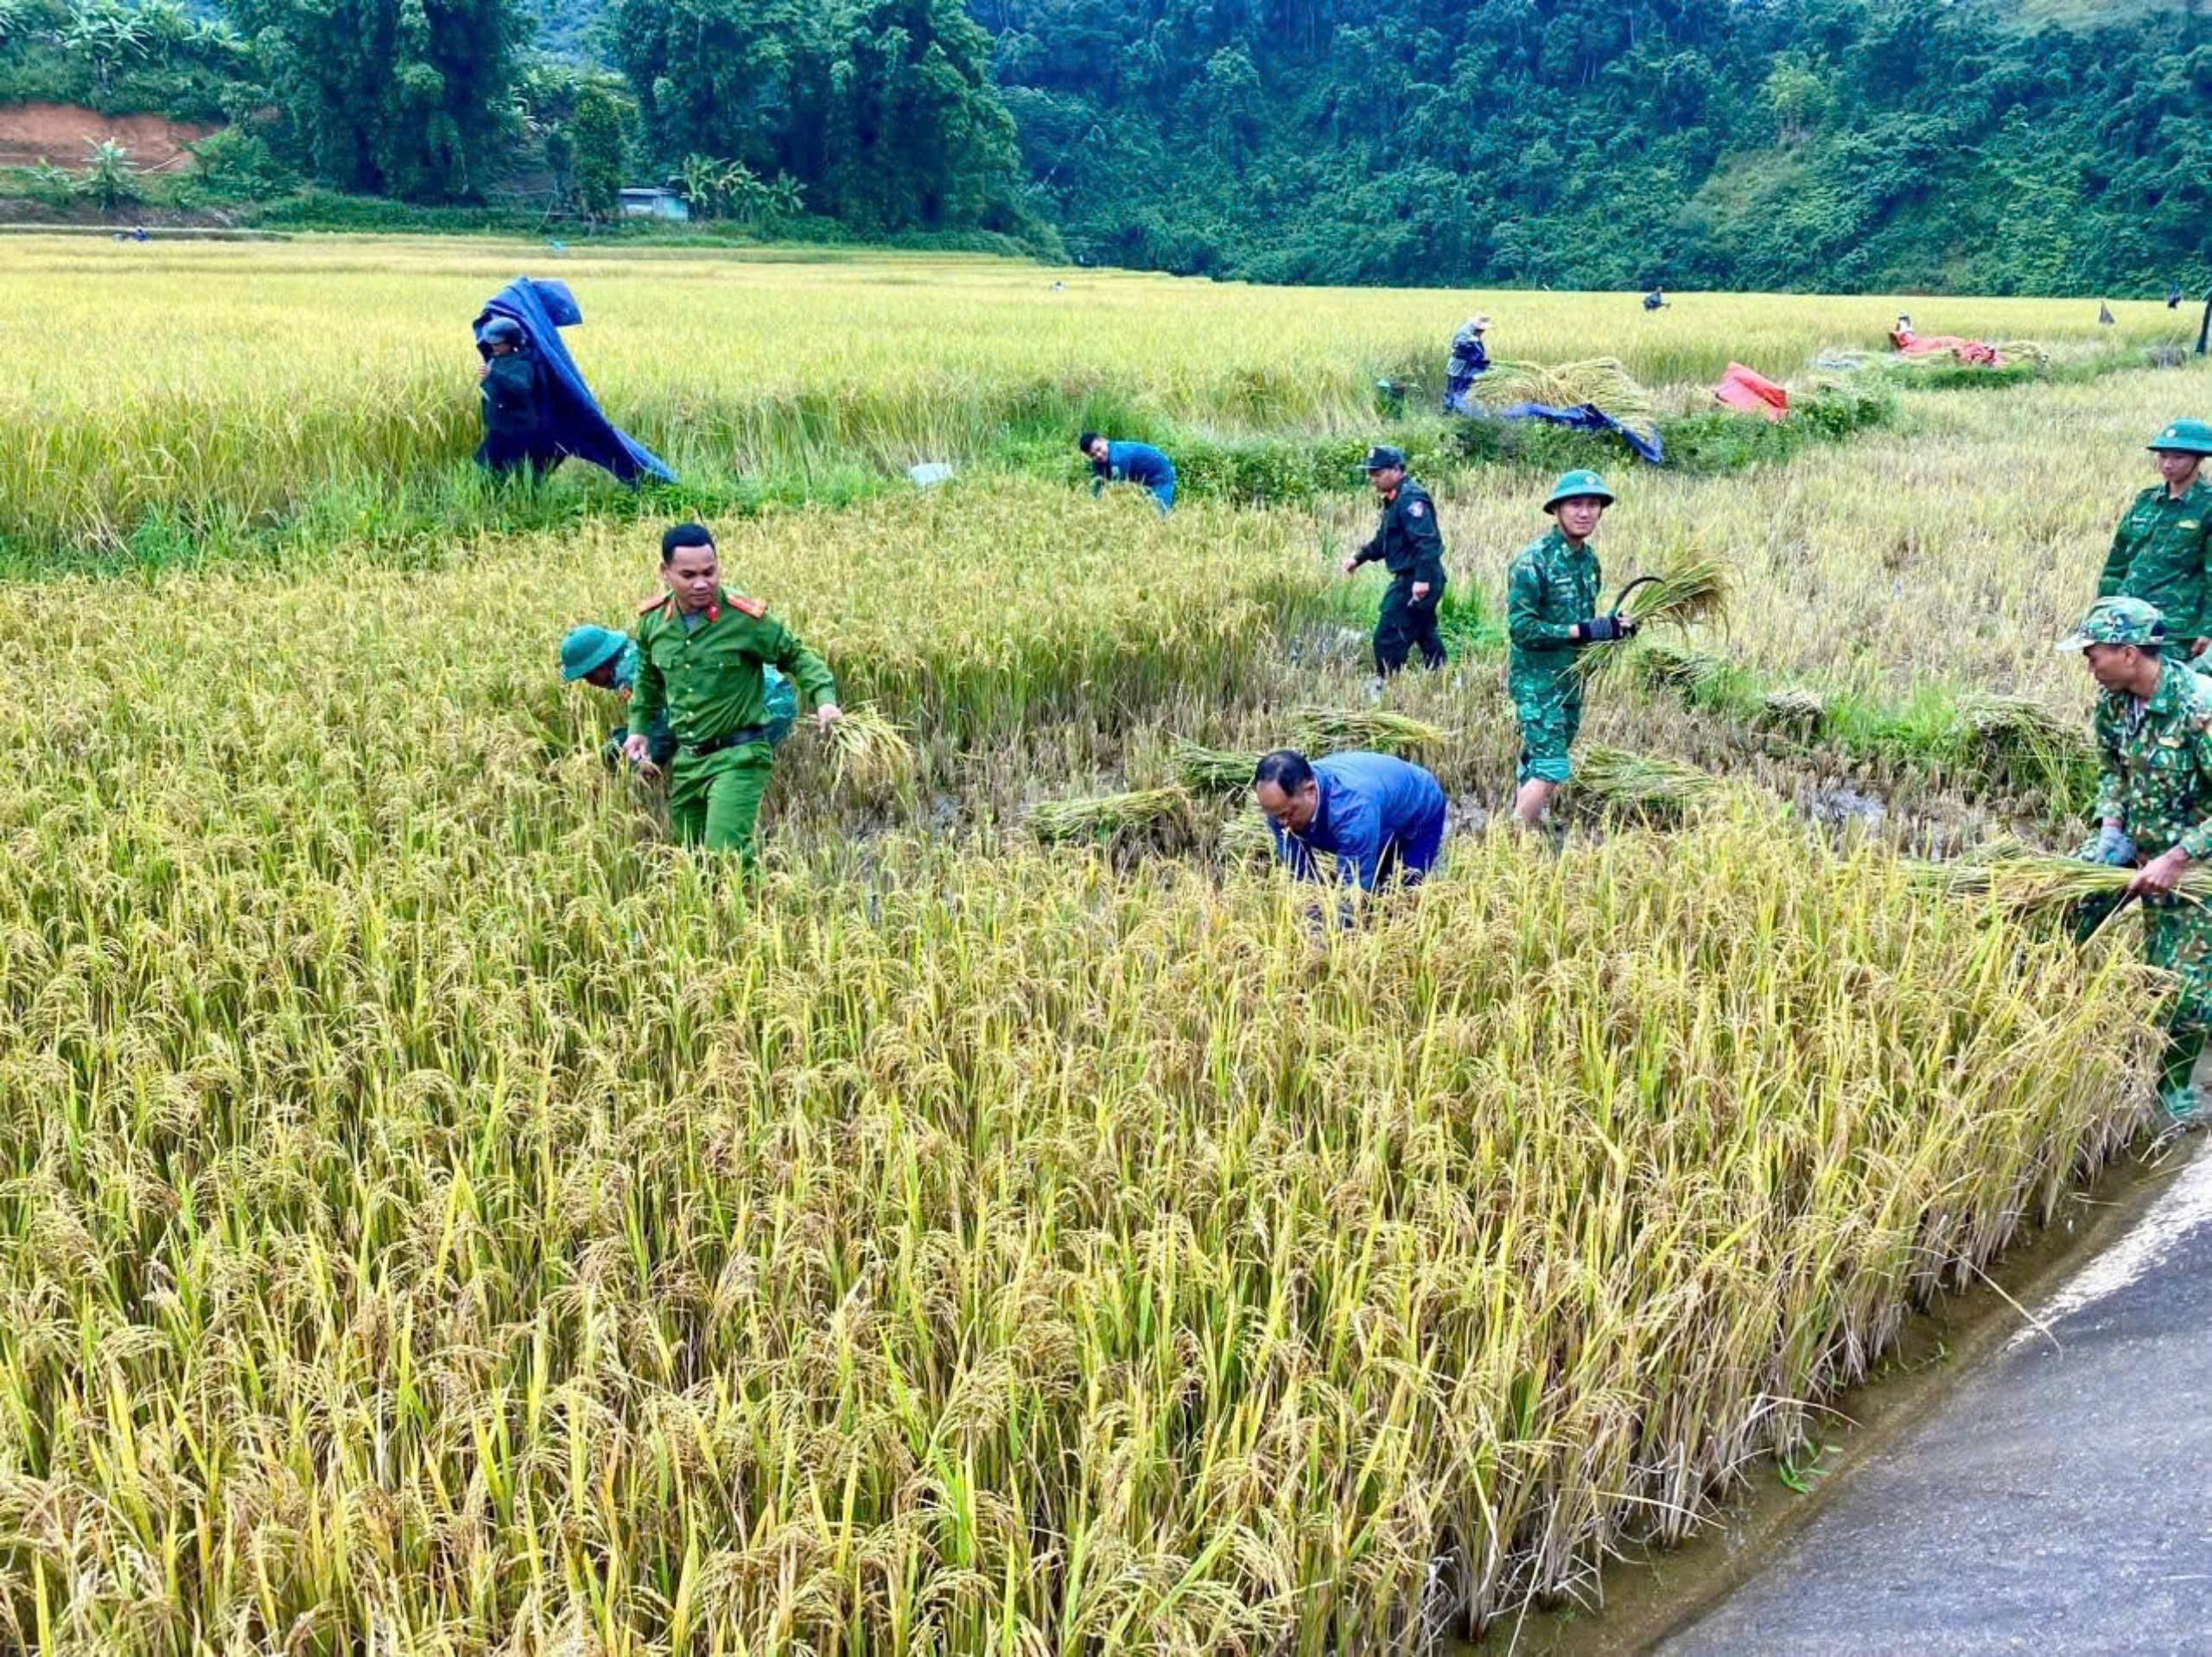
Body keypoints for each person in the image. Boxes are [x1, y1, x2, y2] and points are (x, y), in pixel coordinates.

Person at [2064, 596, 2212, 1128]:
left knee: (2185, 989)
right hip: (2144, 854)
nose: (2088, 664)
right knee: (2069, 917)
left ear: (2128, 653)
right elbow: (2113, 774)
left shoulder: (2199, 707)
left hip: (2198, 865)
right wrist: (2111, 829)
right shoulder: (2113, 705)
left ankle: (2175, 1096)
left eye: (2093, 654)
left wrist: (2177, 858)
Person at [625, 524, 843, 864]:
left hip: (739, 754)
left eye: (709, 572)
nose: (702, 583)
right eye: (688, 574)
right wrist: (638, 729)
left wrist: (825, 701)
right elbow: (647, 678)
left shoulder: (745, 620)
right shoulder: (654, 623)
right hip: (689, 761)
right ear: (665, 572)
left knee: (726, 857)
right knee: (691, 861)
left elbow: (797, 656)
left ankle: (751, 914)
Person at [1506, 470, 1637, 828]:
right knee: (1551, 768)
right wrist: (1582, 630)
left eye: (1593, 505)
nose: (1585, 512)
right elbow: (1522, 630)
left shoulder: (1588, 562)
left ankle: (1526, 822)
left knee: (1540, 760)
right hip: (1538, 683)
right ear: (1557, 510)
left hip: (1571, 680)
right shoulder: (1533, 562)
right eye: (1576, 504)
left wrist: (1611, 627)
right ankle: (1510, 842)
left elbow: (1585, 621)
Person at [563, 624, 799, 771]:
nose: (588, 683)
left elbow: (666, 729)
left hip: (764, 704)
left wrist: (643, 764)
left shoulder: (631, 676)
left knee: (731, 772)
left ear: (599, 668)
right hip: (770, 690)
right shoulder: (635, 654)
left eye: (586, 676)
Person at [1252, 749, 1448, 902]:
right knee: (1373, 880)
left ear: (1310, 790)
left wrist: (1339, 941)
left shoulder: (1351, 810)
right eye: (1275, 816)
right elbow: (1301, 875)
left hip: (1420, 809)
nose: (1282, 824)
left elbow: (1354, 890)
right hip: (1376, 808)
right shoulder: (1280, 809)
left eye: (1287, 814)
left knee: (1402, 892)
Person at [2095, 419, 2212, 657]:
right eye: (2163, 456)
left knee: (2165, 690)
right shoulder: (2146, 501)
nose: (2168, 465)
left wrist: (2208, 628)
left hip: (2174, 629)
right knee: (2118, 688)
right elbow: (2117, 561)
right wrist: (2103, 609)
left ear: (2198, 459)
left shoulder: (2207, 506)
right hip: (2127, 619)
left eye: (2178, 458)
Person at [1343, 445, 1448, 677]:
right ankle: (1443, 676)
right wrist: (1358, 558)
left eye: (1378, 474)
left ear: (1397, 470)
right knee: (1423, 631)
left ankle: (1385, 685)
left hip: (1417, 579)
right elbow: (1384, 541)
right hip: (1418, 577)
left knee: (1388, 636)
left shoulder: (1411, 499)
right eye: (1371, 474)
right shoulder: (1395, 499)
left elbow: (1427, 543)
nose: (1373, 480)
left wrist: (1421, 580)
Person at [475, 315, 560, 479]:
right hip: (499, 426)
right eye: (492, 343)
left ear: (511, 342)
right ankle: (492, 496)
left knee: (512, 470)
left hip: (517, 428)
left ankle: (519, 499)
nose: (494, 346)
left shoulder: (523, 363)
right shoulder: (496, 359)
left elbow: (521, 386)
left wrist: (494, 374)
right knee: (483, 466)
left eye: (498, 343)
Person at [1078, 433, 1176, 512]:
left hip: (1160, 475)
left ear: (1103, 440)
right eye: (1093, 455)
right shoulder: (1097, 462)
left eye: (1099, 449)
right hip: (1142, 479)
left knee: (1159, 514)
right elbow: (1098, 484)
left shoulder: (1118, 458)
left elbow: (1119, 489)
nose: (1098, 455)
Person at [1442, 314, 1491, 414]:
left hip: (1465, 367)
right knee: (1454, 390)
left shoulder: (1473, 332)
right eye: (1482, 330)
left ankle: (1457, 411)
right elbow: (1461, 345)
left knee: (1462, 391)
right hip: (1457, 367)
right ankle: (1449, 412)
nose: (1483, 332)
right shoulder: (1465, 333)